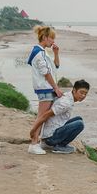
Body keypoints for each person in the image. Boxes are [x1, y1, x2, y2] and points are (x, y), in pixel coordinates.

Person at [28, 79, 89, 155]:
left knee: (79, 119)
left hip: (51, 133)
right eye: (81, 92)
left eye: (85, 94)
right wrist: (33, 130)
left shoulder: (68, 96)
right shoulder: (65, 103)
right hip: (50, 137)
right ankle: (60, 146)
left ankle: (51, 143)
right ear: (74, 90)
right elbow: (45, 115)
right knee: (80, 124)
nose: (83, 96)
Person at [27, 25, 62, 154]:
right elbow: (46, 73)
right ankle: (34, 143)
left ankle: (38, 141)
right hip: (44, 88)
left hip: (46, 88)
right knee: (41, 117)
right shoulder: (39, 53)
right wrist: (56, 88)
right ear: (45, 37)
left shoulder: (43, 51)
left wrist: (56, 53)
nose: (53, 41)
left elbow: (55, 67)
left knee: (44, 117)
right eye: (51, 38)